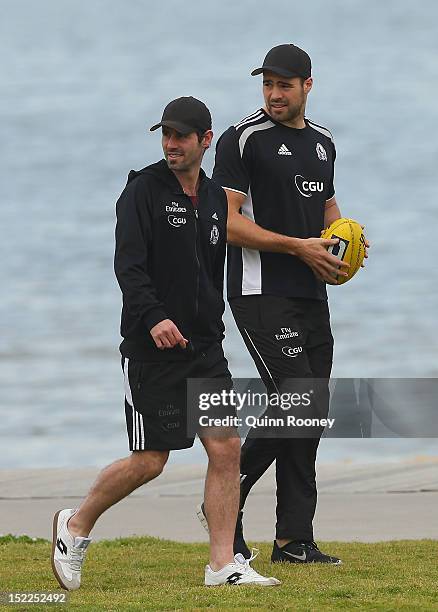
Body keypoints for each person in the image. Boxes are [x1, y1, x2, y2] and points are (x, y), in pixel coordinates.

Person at [51, 96, 280, 589]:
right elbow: (128, 268)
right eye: (166, 135)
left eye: (181, 136)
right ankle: (75, 526)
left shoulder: (218, 198)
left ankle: (222, 564)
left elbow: (211, 271)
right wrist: (154, 318)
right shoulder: (142, 191)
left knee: (226, 449)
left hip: (205, 349)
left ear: (205, 141)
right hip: (150, 350)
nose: (171, 144)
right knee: (150, 461)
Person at [209, 44, 367, 564]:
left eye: (284, 85)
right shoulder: (242, 138)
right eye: (267, 85)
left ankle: (293, 539)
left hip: (310, 292)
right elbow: (226, 223)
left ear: (307, 86)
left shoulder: (323, 143)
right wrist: (297, 247)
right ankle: (223, 510)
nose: (274, 95)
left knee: (310, 410)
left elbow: (327, 209)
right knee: (297, 399)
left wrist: (343, 246)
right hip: (259, 291)